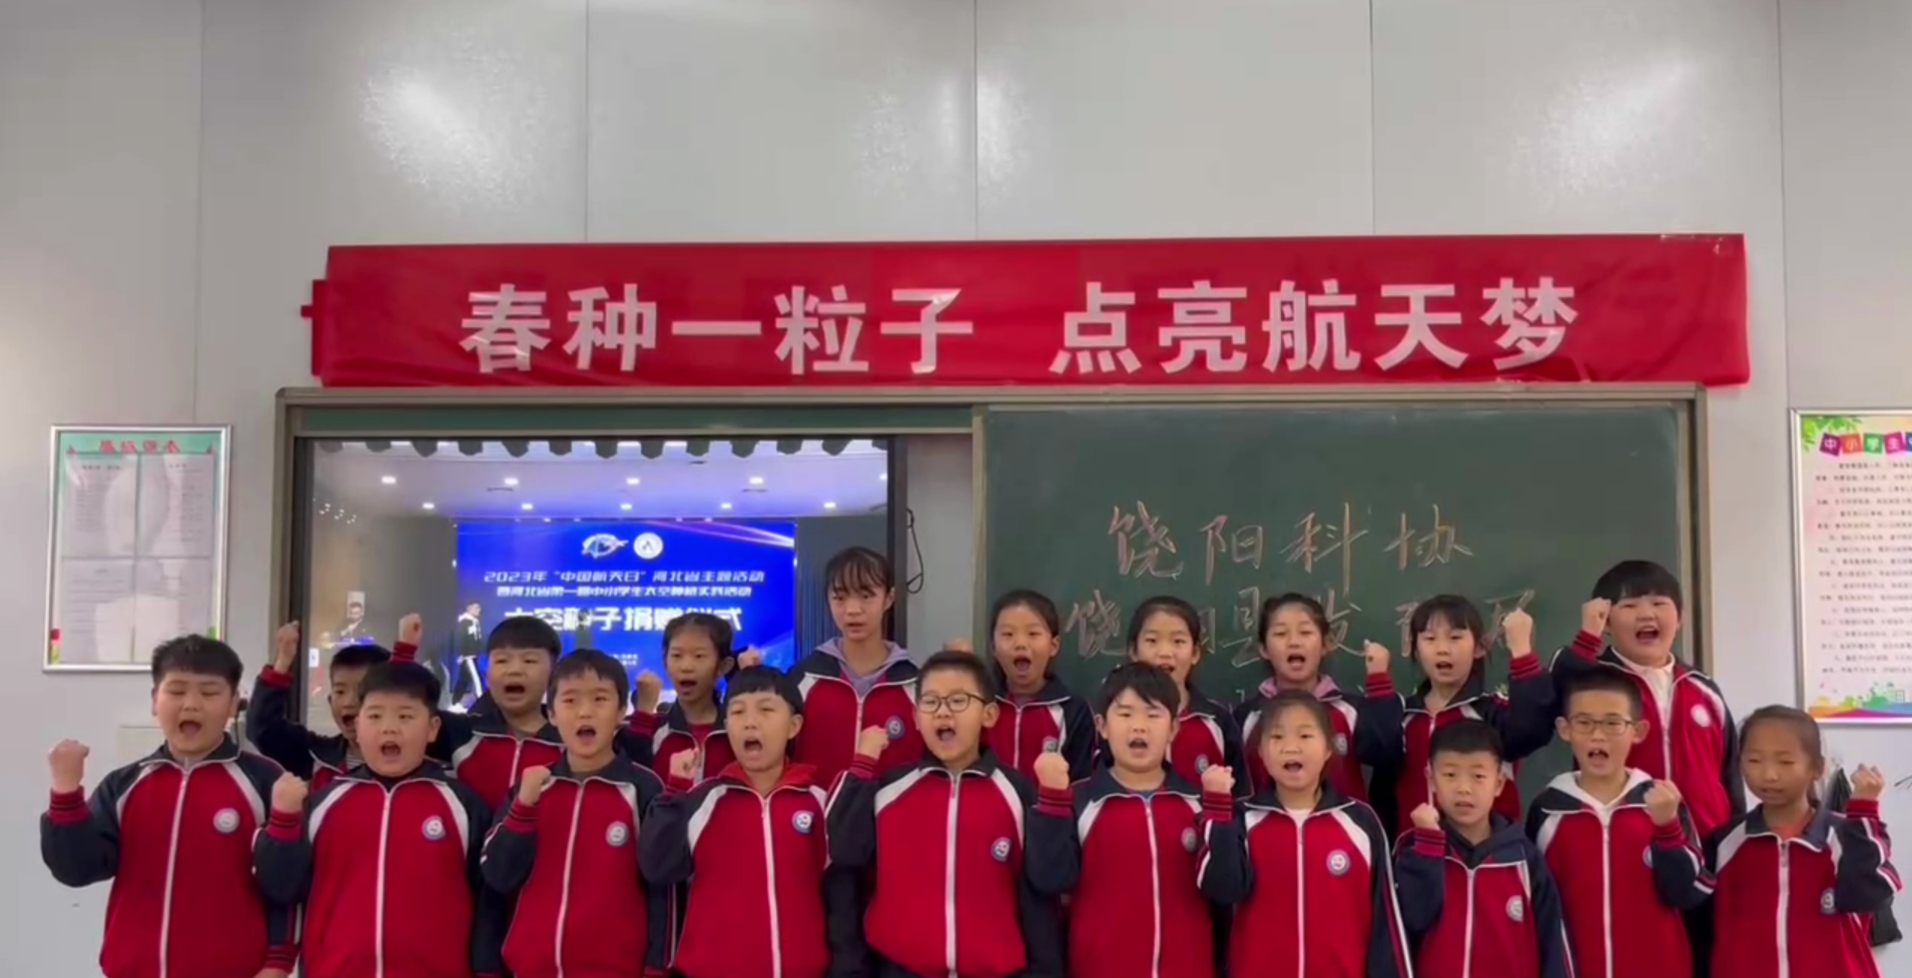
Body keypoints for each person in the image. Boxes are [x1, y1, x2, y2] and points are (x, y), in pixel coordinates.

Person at [42, 635, 296, 978]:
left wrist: (278, 962)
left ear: (234, 703)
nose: (191, 705)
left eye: (209, 693)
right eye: (176, 691)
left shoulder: (266, 781)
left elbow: (288, 883)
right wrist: (65, 793)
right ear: (155, 700)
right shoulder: (125, 785)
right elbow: (77, 870)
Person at [254, 661, 504, 978]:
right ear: (358, 726)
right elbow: (282, 888)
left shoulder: (463, 806)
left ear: (432, 729)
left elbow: (488, 902)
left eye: (405, 716)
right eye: (375, 716)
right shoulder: (322, 804)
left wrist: (487, 971)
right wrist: (282, 821)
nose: (389, 728)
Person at [826, 650, 1062, 978]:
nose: (943, 712)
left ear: (989, 714)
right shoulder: (889, 790)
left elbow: (1039, 896)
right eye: (931, 701)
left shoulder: (1017, 794)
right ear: (915, 716)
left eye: (958, 700)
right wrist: (863, 766)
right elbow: (844, 851)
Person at [640, 665, 862, 978]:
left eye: (766, 710)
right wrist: (675, 790)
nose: (750, 722)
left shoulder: (819, 804)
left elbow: (841, 902)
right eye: (738, 712)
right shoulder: (703, 801)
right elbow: (657, 867)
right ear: (726, 726)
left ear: (794, 726)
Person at [1025, 662, 1220, 978]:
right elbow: (1049, 879)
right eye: (1126, 714)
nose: (1139, 727)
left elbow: (1223, 895)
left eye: (1153, 715)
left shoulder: (1198, 804)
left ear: (1173, 728)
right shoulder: (1079, 802)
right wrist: (1051, 801)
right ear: (1102, 725)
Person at [482, 649, 669, 978]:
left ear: (621, 711)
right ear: (552, 714)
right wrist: (523, 808)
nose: (585, 711)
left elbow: (662, 887)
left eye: (600, 699)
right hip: (531, 968)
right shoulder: (531, 789)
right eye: (570, 700)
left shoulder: (642, 788)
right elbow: (498, 876)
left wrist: (656, 964)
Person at [1199, 690, 1411, 978]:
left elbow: (1385, 921)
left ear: (1328, 749)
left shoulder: (1360, 823)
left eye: (1305, 735)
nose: (1291, 747)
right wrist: (1217, 808)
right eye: (1277, 737)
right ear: (1261, 752)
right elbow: (1222, 888)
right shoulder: (1241, 819)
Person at [1527, 672, 1712, 978]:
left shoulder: (1662, 802)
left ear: (1638, 731)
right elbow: (1535, 904)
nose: (1598, 736)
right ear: (1564, 729)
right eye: (1584, 722)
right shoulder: (1548, 809)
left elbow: (1689, 893)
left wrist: (1667, 828)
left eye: (1613, 723)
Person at [1551, 560, 1742, 841]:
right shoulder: (1591, 683)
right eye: (1629, 606)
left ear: (1679, 618)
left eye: (1659, 603)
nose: (1646, 614)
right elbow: (1547, 700)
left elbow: (1730, 773)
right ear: (1606, 621)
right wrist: (1587, 637)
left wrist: (1734, 837)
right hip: (1621, 844)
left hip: (1709, 842)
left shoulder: (1704, 689)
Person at [1707, 706, 1899, 978]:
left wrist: (1864, 813)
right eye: (1754, 760)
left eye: (1785, 762)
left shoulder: (1848, 834)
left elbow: (1871, 896)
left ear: (1817, 768)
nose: (1769, 774)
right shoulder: (1725, 842)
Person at [1395, 720, 1572, 978]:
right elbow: (1408, 925)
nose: (1463, 788)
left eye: (1478, 776)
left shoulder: (1524, 859)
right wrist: (1428, 845)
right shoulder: (1413, 850)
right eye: (1450, 775)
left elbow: (1552, 944)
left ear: (1499, 783)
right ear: (1431, 779)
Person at [1366, 600, 1555, 833]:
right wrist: (1378, 682)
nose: (1442, 649)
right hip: (1411, 850)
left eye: (1455, 638)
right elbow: (1376, 757)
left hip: (1486, 852)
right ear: (1416, 650)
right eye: (1430, 639)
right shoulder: (1400, 716)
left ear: (1479, 648)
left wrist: (1522, 652)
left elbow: (1533, 729)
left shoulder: (1492, 713)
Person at [1234, 592, 1391, 801]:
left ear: (1325, 644)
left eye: (1305, 632)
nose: (1294, 642)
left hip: (1341, 821)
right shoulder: (1248, 717)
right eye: (1280, 634)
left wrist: (1379, 682)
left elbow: (1386, 755)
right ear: (1264, 649)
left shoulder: (1349, 710)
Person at [793, 547, 921, 784]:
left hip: (894, 808)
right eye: (840, 598)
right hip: (817, 807)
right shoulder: (803, 679)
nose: (852, 610)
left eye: (866, 596)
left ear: (889, 598)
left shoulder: (916, 684)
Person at [417, 613, 566, 809]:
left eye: (529, 661)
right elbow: (398, 712)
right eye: (502, 660)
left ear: (554, 674)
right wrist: (404, 652)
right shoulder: (463, 732)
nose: (514, 670)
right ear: (487, 674)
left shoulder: (569, 742)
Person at [1123, 595, 1248, 799]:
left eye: (1178, 641)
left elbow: (1240, 797)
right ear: (1133, 651)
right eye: (1152, 641)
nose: (1165, 652)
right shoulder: (1118, 720)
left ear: (1195, 653)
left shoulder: (1217, 721)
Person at [247, 619, 391, 792]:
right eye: (340, 691)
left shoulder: (411, 762)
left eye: (361, 691)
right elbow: (263, 729)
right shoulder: (317, 758)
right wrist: (282, 663)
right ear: (330, 701)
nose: (349, 702)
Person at [983, 589, 1095, 784]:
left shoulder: (1073, 710)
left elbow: (1081, 783)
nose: (1020, 643)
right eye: (1008, 634)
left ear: (1053, 646)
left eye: (1033, 634)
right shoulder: (980, 704)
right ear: (993, 647)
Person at [628, 612, 739, 782]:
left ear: (724, 666)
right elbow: (633, 784)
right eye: (677, 656)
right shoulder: (655, 730)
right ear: (665, 662)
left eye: (699, 656)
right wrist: (643, 713)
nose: (686, 666)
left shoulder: (736, 729)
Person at [452, 601, 484, 706]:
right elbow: (461, 639)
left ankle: (455, 702)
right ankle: (481, 701)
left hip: (474, 656)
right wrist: (462, 654)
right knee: (477, 679)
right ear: (469, 608)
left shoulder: (475, 622)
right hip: (468, 656)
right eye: (476, 607)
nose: (479, 610)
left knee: (464, 680)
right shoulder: (464, 622)